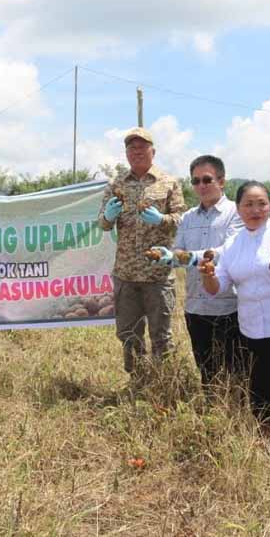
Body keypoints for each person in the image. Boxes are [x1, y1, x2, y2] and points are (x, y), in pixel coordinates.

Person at [200, 181, 270, 425]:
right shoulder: (232, 244)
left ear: (269, 206)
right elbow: (216, 288)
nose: (255, 210)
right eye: (248, 204)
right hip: (253, 331)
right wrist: (207, 276)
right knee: (262, 395)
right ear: (238, 209)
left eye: (261, 203)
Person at [98, 127, 186, 384]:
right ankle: (138, 382)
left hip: (158, 274)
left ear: (153, 152)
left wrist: (162, 220)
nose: (136, 152)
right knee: (128, 334)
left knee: (161, 335)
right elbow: (103, 224)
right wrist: (108, 216)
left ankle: (163, 383)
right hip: (126, 274)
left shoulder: (168, 182)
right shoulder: (116, 184)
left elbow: (182, 220)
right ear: (126, 154)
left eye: (142, 147)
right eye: (131, 148)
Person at [149, 155, 243, 387]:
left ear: (222, 181)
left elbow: (227, 252)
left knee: (236, 371)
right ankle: (211, 403)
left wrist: (185, 257)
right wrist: (165, 257)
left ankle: (235, 407)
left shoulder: (237, 212)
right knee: (207, 372)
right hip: (196, 306)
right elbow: (177, 252)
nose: (201, 185)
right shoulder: (188, 218)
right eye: (195, 181)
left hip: (229, 306)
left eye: (207, 179)